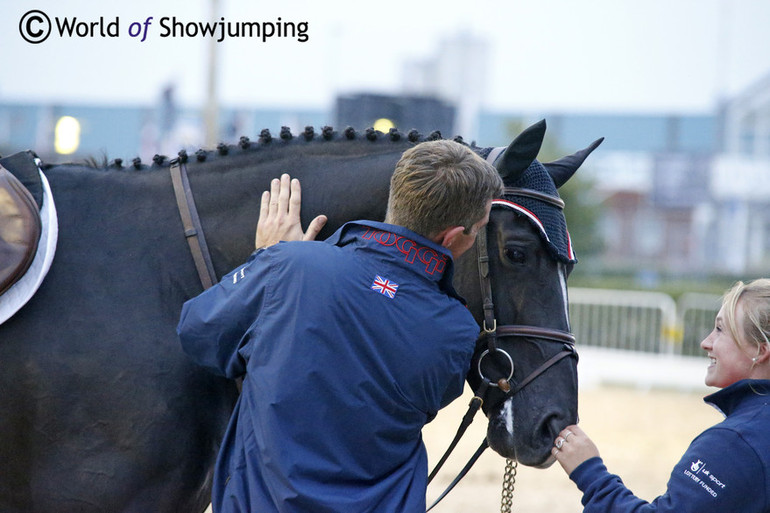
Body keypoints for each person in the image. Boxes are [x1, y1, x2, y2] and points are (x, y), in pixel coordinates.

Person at [177, 139, 504, 513]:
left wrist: (268, 259)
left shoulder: (289, 266)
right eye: (478, 228)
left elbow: (197, 331)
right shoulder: (457, 331)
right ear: (451, 237)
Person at [552, 278, 770, 512]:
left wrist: (590, 473)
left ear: (759, 350)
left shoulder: (736, 443)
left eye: (720, 330)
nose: (706, 342)